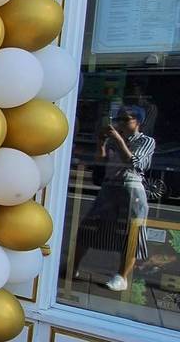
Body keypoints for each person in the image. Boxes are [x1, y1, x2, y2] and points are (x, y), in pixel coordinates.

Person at [72, 105, 156, 291]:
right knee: (88, 227)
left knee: (132, 234)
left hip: (131, 188)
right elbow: (100, 163)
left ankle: (122, 276)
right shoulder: (114, 140)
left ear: (138, 122)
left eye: (126, 119)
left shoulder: (146, 141)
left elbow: (135, 162)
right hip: (110, 186)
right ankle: (73, 267)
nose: (121, 123)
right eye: (119, 119)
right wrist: (101, 143)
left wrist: (118, 140)